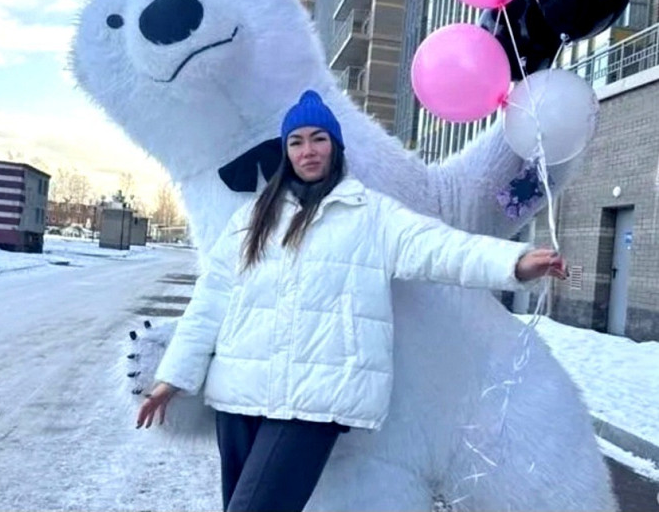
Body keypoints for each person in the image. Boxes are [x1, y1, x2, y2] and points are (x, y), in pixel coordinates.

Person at [137, 90, 568, 512]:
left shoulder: (372, 216)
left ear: (336, 146)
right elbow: (210, 304)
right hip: (237, 397)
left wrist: (514, 262)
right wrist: (172, 377)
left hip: (314, 403)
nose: (308, 151)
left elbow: (443, 248)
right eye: (297, 141)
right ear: (286, 151)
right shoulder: (252, 220)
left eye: (318, 139)